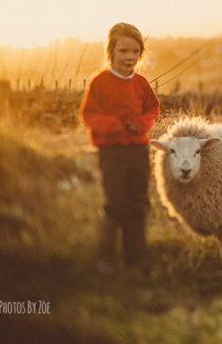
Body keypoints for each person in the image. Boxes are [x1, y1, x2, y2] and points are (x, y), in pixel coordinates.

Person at [80, 22, 160, 275]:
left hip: (138, 151)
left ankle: (136, 257)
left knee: (138, 202)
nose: (130, 57)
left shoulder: (141, 83)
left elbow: (152, 110)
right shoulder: (100, 82)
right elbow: (88, 114)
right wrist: (111, 125)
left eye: (136, 52)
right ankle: (104, 259)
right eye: (124, 51)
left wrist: (141, 124)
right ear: (111, 52)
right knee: (115, 203)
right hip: (112, 151)